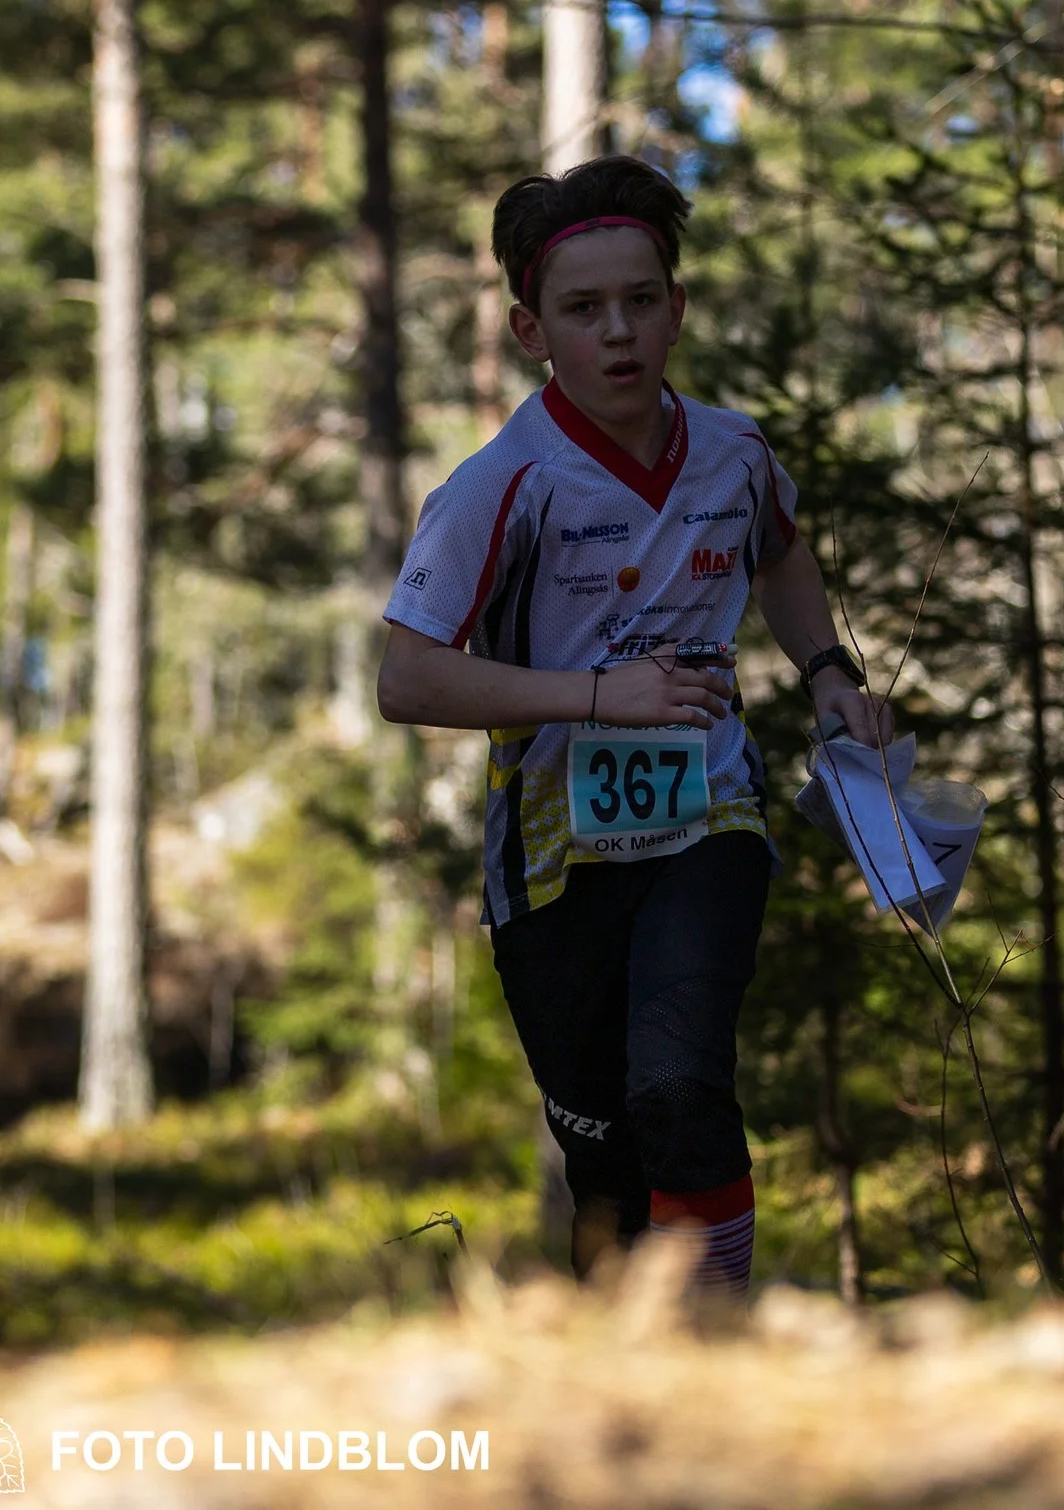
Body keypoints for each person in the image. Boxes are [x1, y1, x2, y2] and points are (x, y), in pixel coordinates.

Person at [376, 156, 890, 1291]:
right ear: (530, 330)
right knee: (604, 1157)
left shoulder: (733, 450)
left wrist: (827, 670)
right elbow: (406, 679)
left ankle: (720, 1342)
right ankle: (626, 1394)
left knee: (680, 1083)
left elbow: (781, 554)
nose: (619, 332)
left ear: (678, 307)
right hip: (551, 860)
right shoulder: (502, 482)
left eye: (641, 301)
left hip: (708, 815)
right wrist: (599, 696)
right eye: (582, 309)